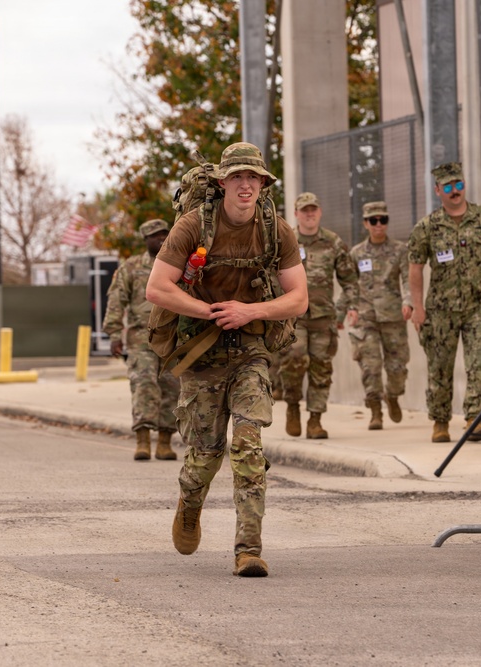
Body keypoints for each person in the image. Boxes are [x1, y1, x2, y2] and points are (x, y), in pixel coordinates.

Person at [146, 142, 307, 577]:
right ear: (221, 182)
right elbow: (157, 288)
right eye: (236, 177)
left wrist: (250, 311)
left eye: (252, 178)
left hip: (251, 350)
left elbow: (299, 298)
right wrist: (209, 312)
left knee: (248, 445)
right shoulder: (193, 225)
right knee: (205, 454)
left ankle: (248, 549)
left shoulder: (277, 229)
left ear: (263, 184)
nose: (245, 185)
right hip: (201, 349)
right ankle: (189, 503)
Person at [408, 162, 481, 443]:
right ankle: (440, 421)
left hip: (480, 304)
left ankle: (476, 418)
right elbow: (415, 268)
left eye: (458, 184)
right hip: (440, 309)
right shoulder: (426, 227)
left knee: (480, 363)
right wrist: (418, 307)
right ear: (438, 190)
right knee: (440, 368)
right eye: (448, 186)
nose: (455, 191)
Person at [278, 192, 358, 438]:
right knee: (294, 358)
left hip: (324, 317)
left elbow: (350, 281)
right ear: (296, 214)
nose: (309, 214)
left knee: (321, 367)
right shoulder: (285, 239)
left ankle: (315, 420)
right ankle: (292, 405)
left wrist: (346, 309)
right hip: (293, 316)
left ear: (320, 212)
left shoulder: (333, 242)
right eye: (304, 210)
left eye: (313, 209)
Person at [103, 218, 180, 460]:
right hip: (141, 337)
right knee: (144, 385)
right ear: (145, 239)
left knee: (172, 388)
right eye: (155, 235)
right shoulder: (131, 267)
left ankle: (165, 441)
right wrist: (115, 334)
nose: (161, 239)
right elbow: (117, 299)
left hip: (172, 337)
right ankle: (143, 439)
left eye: (164, 234)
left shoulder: (180, 265)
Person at [347, 200, 412, 429]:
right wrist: (351, 308)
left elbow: (407, 278)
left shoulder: (400, 250)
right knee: (370, 367)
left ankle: (392, 396)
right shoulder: (356, 253)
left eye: (382, 220)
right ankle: (375, 411)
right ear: (365, 223)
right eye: (373, 220)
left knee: (397, 368)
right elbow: (350, 285)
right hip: (366, 318)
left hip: (393, 316)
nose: (378, 224)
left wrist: (408, 302)